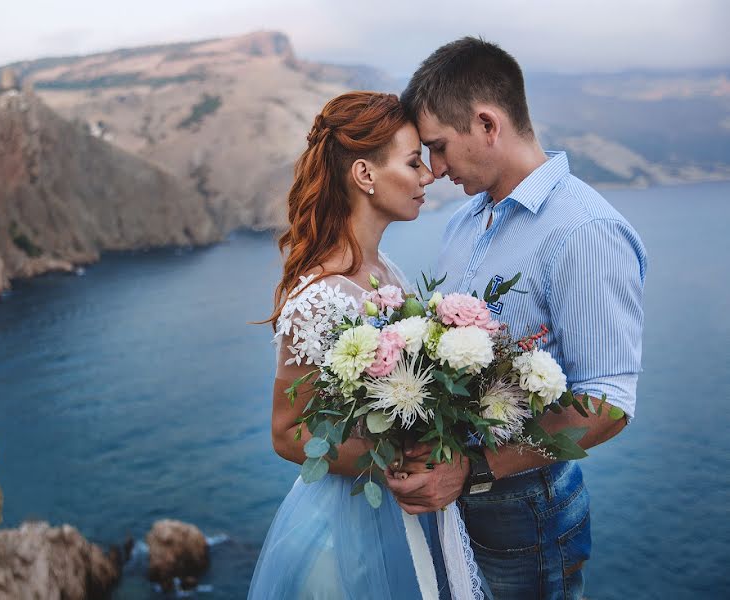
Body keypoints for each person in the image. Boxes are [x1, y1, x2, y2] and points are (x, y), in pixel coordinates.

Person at [386, 37, 647, 600]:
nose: (433, 170)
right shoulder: (462, 222)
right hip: (457, 502)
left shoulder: (584, 232)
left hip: (528, 512)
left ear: (486, 124)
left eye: (439, 147)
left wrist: (475, 469)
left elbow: (607, 403)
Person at [248, 92, 486, 599]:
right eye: (413, 162)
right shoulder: (319, 297)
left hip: (408, 513)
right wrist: (395, 462)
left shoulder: (386, 272)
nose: (428, 177)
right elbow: (288, 433)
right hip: (351, 523)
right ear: (365, 174)